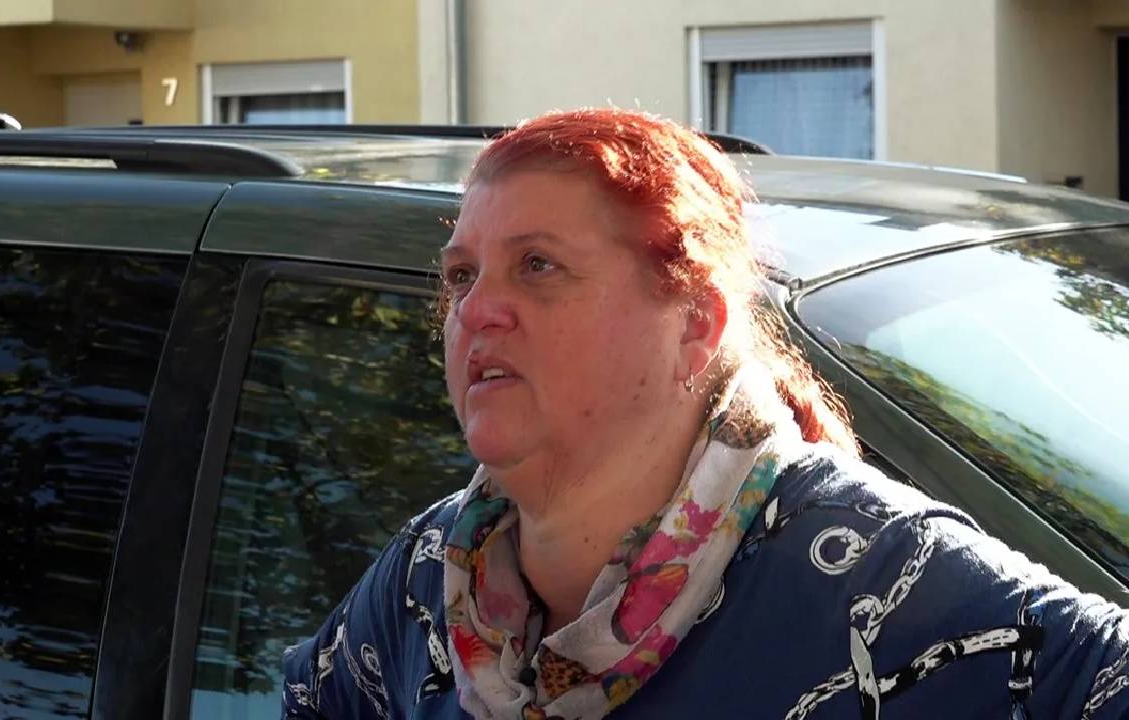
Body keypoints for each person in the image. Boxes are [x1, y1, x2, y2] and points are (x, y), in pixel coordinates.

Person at [282, 108, 1129, 719]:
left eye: (537, 265)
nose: (475, 311)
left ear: (696, 325)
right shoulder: (428, 579)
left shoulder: (872, 576)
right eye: (462, 275)